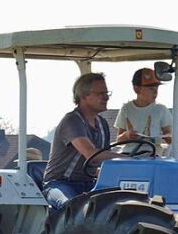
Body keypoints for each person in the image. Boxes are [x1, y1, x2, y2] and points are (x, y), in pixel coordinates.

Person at [42, 72, 122, 208]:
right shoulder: (72, 121)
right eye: (101, 93)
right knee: (72, 208)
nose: (106, 97)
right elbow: (91, 154)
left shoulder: (102, 124)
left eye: (107, 93)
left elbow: (105, 161)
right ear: (84, 96)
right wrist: (128, 158)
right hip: (61, 183)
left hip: (90, 183)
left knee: (119, 204)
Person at [115, 67, 173, 147]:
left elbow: (170, 135)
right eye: (151, 88)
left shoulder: (161, 109)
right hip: (129, 155)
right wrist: (127, 135)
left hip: (152, 154)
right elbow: (118, 140)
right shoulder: (126, 108)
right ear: (136, 89)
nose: (155, 92)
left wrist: (162, 138)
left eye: (157, 88)